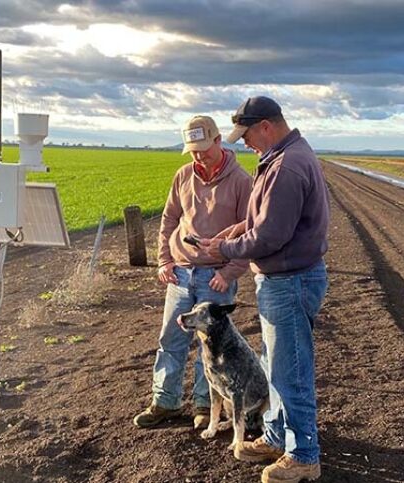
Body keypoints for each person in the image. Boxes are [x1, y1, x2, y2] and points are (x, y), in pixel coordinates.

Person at [200, 96, 329, 483]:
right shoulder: (283, 157)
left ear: (267, 127)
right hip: (285, 279)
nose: (244, 144)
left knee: (290, 372)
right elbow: (264, 219)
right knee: (275, 365)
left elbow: (270, 235)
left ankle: (304, 455)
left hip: (289, 281)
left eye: (247, 136)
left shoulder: (287, 166)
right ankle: (275, 436)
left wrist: (224, 249)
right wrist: (237, 229)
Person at [133, 115, 252, 429]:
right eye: (193, 151)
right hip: (181, 274)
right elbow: (169, 220)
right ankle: (165, 402)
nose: (198, 156)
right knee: (170, 339)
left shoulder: (241, 181)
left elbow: (250, 233)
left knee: (210, 347)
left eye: (203, 148)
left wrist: (230, 273)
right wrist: (164, 261)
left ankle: (204, 406)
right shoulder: (183, 175)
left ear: (218, 140)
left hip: (216, 277)